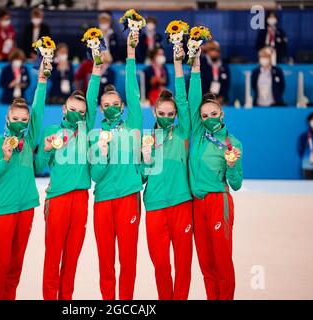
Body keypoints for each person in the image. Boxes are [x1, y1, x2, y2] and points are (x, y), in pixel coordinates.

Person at [34, 56, 102, 300]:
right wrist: (47, 149)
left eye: (81, 112)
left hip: (81, 201)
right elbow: (38, 165)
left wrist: (96, 69)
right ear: (64, 109)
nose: (77, 114)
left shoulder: (86, 129)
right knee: (53, 256)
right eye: (72, 110)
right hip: (58, 200)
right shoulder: (51, 132)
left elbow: (92, 98)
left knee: (72, 258)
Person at [0, 61, 48, 300]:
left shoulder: (29, 140)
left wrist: (42, 79)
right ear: (7, 118)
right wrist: (5, 160)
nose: (20, 122)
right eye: (15, 118)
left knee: (16, 266)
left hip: (27, 207)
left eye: (24, 119)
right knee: (0, 264)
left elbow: (38, 109)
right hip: (3, 209)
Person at [90, 32, 142, 300]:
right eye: (105, 105)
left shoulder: (132, 124)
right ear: (100, 109)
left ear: (123, 107)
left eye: (115, 104)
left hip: (128, 198)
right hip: (103, 202)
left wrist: (131, 55)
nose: (111, 108)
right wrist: (102, 151)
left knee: (128, 258)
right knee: (106, 259)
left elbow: (133, 92)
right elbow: (96, 176)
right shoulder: (96, 135)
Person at [140, 46, 194, 300]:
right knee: (161, 266)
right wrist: (145, 159)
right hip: (154, 207)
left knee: (183, 265)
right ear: (154, 112)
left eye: (171, 114)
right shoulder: (147, 138)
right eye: (162, 114)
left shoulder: (182, 132)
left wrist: (179, 65)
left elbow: (183, 101)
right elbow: (140, 177)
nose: (166, 117)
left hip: (182, 204)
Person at [188, 48, 243, 301]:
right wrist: (195, 65)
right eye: (204, 116)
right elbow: (193, 98)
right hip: (196, 205)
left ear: (222, 114)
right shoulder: (199, 135)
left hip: (218, 202)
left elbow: (237, 184)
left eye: (213, 114)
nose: (208, 118)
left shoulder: (233, 143)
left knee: (222, 260)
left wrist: (232, 166)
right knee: (206, 262)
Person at [200, 40, 230, 105]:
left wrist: (221, 97)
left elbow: (226, 85)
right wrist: (207, 98)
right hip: (204, 99)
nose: (214, 52)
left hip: (221, 100)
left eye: (216, 50)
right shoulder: (202, 65)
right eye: (211, 49)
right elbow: (201, 83)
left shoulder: (224, 67)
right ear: (207, 51)